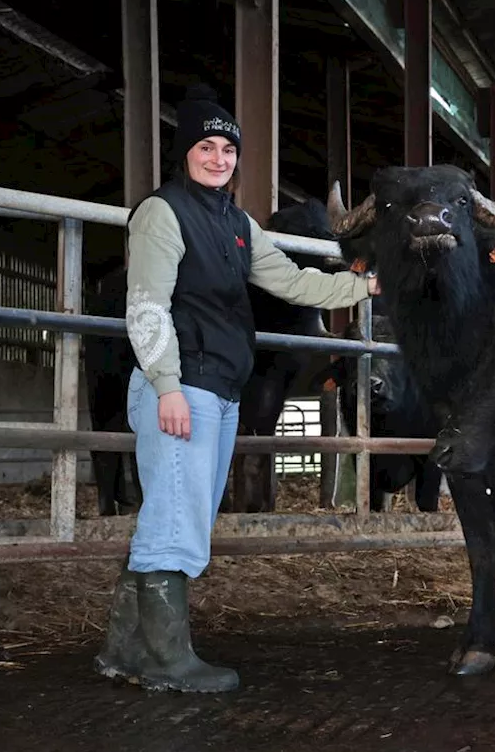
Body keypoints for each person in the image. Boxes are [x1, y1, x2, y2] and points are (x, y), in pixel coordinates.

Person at [94, 84, 378, 693]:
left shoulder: (238, 223)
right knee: (175, 519)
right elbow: (146, 305)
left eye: (227, 148)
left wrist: (364, 288)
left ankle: (124, 651)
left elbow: (294, 283)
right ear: (184, 151)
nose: (219, 158)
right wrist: (166, 385)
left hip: (221, 389)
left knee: (171, 513)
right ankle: (168, 662)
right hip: (181, 386)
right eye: (206, 145)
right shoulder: (161, 213)